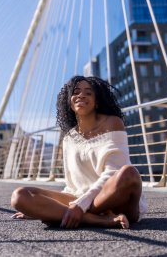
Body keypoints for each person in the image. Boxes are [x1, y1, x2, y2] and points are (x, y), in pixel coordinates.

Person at [11, 75, 147, 229]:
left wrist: (76, 206)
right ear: (69, 101)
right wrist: (44, 205)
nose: (81, 95)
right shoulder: (68, 137)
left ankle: (66, 214)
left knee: (129, 173)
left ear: (97, 101)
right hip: (79, 198)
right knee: (20, 196)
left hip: (114, 200)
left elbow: (113, 172)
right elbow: (72, 184)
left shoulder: (113, 122)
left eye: (88, 93)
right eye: (76, 92)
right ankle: (94, 220)